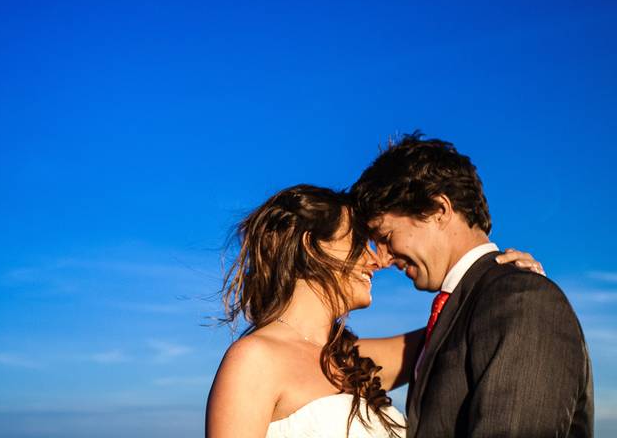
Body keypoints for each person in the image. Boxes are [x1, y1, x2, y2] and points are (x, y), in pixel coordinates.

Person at [205, 184, 541, 438]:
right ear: (312, 246)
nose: (377, 260)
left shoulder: (355, 359)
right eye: (358, 244)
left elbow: (466, 326)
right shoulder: (254, 360)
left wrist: (511, 285)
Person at [352, 133, 593, 438]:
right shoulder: (470, 311)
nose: (384, 259)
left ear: (438, 211)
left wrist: (524, 296)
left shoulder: (522, 300)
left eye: (386, 237)